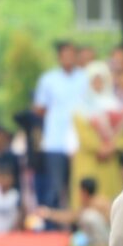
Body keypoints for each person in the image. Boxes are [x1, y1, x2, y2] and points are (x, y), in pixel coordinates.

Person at [32, 41, 86, 212]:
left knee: (77, 185)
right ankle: (52, 223)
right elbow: (39, 107)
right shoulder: (48, 79)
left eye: (71, 54)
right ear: (59, 57)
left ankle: (75, 222)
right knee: (55, 186)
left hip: (80, 141)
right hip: (55, 140)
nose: (68, 58)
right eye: (65, 54)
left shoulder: (85, 77)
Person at [69, 61, 123, 211]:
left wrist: (112, 147)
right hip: (89, 161)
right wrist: (100, 147)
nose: (97, 84)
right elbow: (83, 135)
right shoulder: (81, 108)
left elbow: (122, 136)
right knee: (87, 203)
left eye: (100, 80)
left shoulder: (116, 106)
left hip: (110, 163)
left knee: (111, 204)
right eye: (94, 81)